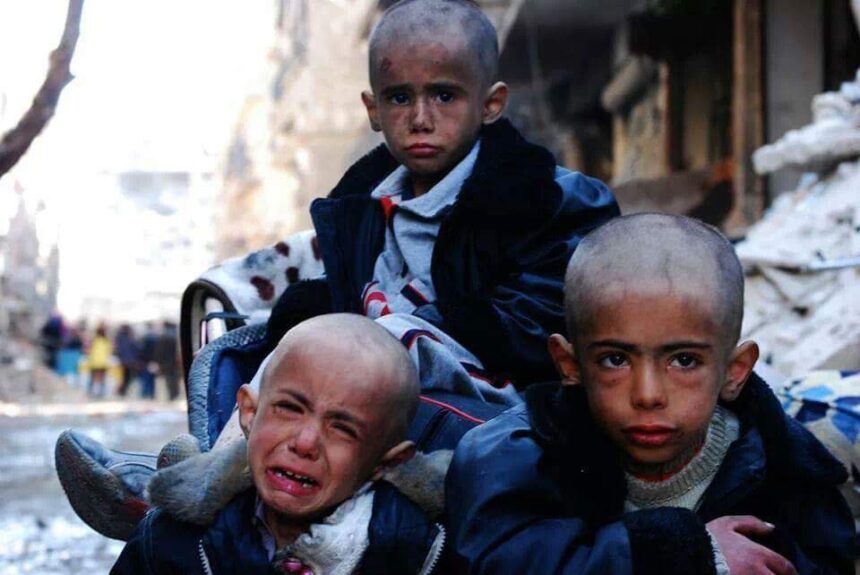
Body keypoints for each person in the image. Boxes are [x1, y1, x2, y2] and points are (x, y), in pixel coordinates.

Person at [446, 214, 855, 574]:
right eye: (615, 360)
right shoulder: (511, 457)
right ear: (569, 365)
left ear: (735, 371)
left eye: (684, 361)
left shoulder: (787, 469)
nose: (647, 395)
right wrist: (685, 554)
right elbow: (501, 561)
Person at [264, 0, 618, 405]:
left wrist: (393, 336)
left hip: (497, 418)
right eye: (399, 98)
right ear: (373, 109)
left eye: (444, 96)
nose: (420, 119)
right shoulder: (356, 211)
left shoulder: (548, 200)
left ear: (491, 104)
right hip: (364, 408)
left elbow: (542, 326)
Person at [112, 314, 444, 574]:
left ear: (387, 462)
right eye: (289, 408)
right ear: (249, 413)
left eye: (342, 428)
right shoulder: (169, 543)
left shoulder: (417, 554)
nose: (305, 443)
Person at [154, 321, 180, 400]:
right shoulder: (175, 336)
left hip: (166, 362)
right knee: (174, 377)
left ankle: (172, 394)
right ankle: (175, 393)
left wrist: (159, 361)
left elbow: (159, 351)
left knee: (169, 378)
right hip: (174, 361)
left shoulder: (163, 337)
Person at [114, 324, 140, 397]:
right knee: (128, 377)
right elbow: (136, 349)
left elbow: (118, 351)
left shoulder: (119, 338)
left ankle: (122, 390)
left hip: (123, 361)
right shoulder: (130, 338)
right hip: (130, 361)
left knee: (125, 377)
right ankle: (122, 390)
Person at [87, 323, 112, 398]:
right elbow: (109, 351)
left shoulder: (94, 340)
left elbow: (89, 350)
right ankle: (101, 393)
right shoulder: (106, 341)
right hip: (103, 362)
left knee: (93, 378)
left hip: (94, 362)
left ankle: (91, 392)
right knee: (102, 378)